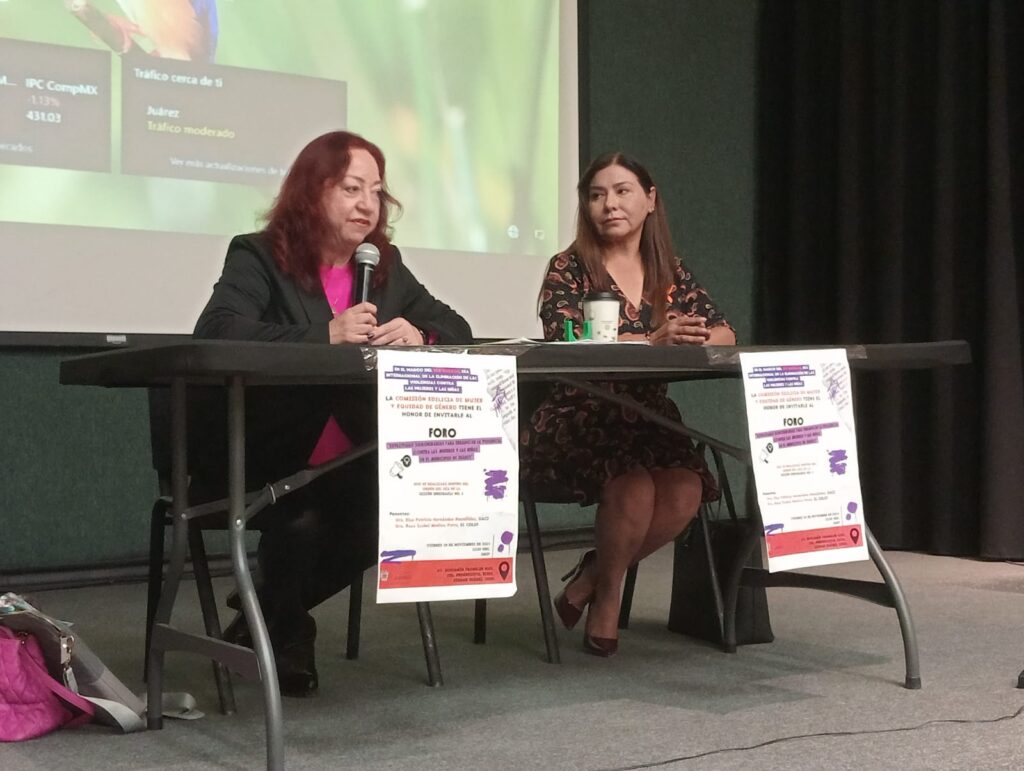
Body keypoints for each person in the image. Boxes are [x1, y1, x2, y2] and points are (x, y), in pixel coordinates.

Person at [191, 130, 473, 696]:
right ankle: (290, 631)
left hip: (358, 454)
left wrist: (420, 334)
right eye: (351, 188)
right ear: (312, 191)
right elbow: (217, 330)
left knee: (395, 516)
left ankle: (266, 613)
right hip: (270, 452)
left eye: (376, 191)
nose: (367, 204)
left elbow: (458, 328)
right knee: (301, 519)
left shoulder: (383, 265)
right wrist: (324, 335)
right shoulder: (259, 255)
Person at [521, 152, 736, 657]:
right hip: (580, 412)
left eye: (622, 191)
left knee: (685, 490)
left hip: (649, 417)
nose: (609, 204)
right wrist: (652, 340)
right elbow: (564, 338)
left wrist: (696, 337)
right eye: (597, 195)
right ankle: (609, 597)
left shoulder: (670, 272)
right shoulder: (568, 267)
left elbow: (724, 331)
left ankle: (593, 575)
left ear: (650, 199)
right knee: (634, 487)